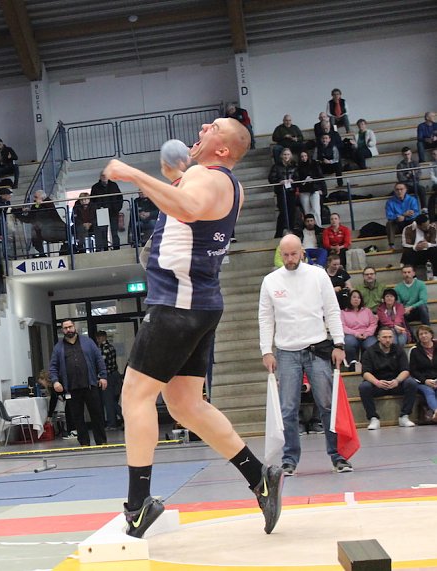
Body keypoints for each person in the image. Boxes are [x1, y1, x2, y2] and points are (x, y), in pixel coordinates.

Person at [103, 117, 282, 539]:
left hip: (177, 306)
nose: (203, 125)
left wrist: (131, 174)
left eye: (213, 126)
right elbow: (186, 206)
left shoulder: (206, 176)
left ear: (222, 150)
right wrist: (170, 181)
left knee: (135, 395)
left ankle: (138, 505)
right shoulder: (227, 184)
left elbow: (188, 208)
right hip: (200, 305)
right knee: (185, 404)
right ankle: (260, 477)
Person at [259, 235, 351, 475]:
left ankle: (338, 456)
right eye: (285, 255)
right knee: (288, 409)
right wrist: (266, 351)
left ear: (302, 252)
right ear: (280, 254)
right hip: (286, 352)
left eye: (294, 254)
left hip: (317, 348)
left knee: (328, 405)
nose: (290, 259)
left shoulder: (318, 275)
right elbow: (265, 318)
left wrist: (339, 344)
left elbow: (332, 310)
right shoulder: (270, 281)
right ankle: (289, 459)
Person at [48, 320, 108, 447]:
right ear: (62, 330)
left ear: (74, 327)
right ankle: (84, 442)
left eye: (70, 327)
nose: (68, 330)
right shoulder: (58, 347)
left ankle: (101, 441)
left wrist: (103, 376)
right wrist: (55, 381)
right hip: (72, 388)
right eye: (65, 328)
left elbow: (99, 359)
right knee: (77, 417)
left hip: (90, 385)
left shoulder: (88, 342)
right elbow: (53, 366)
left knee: (97, 414)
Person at [359, 326, 419, 430]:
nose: (388, 340)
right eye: (385, 337)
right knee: (364, 387)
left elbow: (405, 370)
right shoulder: (369, 351)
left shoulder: (399, 350)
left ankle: (404, 416)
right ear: (378, 338)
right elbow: (365, 372)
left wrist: (397, 380)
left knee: (411, 383)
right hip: (378, 384)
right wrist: (377, 382)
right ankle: (373, 418)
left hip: (395, 383)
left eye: (390, 337)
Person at [341, 290, 377, 368]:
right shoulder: (343, 312)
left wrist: (367, 333)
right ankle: (352, 363)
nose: (356, 299)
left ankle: (366, 364)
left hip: (367, 335)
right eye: (354, 297)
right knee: (348, 341)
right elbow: (343, 326)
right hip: (351, 335)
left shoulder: (367, 311)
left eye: (358, 297)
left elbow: (373, 324)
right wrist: (356, 333)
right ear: (349, 299)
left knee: (372, 344)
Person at [268, 148, 299, 238]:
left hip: (291, 191)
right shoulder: (276, 166)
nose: (286, 156)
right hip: (281, 192)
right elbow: (271, 178)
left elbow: (298, 177)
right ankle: (279, 233)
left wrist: (293, 180)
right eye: (285, 154)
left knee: (292, 211)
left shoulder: (294, 166)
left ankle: (291, 230)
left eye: (288, 154)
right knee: (283, 212)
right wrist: (279, 181)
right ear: (282, 156)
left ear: (291, 156)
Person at [409, 325, 437, 423]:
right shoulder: (414, 350)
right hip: (422, 381)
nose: (423, 336)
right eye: (421, 334)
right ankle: (436, 411)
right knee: (429, 391)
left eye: (426, 333)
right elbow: (413, 371)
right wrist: (425, 381)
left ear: (431, 335)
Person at [96, 330, 122, 429]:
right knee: (112, 400)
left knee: (109, 401)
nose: (97, 341)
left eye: (98, 338)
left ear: (101, 337)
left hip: (108, 376)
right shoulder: (111, 347)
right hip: (115, 375)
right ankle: (121, 419)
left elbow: (101, 362)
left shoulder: (104, 348)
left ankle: (113, 423)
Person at [386, 182, 420, 249]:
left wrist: (404, 217)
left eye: (401, 189)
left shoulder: (412, 200)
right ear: (394, 191)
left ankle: (412, 243)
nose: (399, 191)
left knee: (414, 221)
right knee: (389, 223)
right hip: (397, 223)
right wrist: (401, 215)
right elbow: (389, 216)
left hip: (409, 222)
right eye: (397, 189)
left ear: (405, 189)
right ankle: (391, 245)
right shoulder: (390, 202)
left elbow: (417, 213)